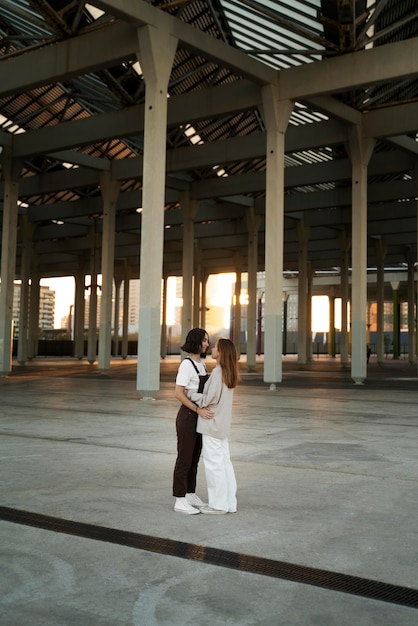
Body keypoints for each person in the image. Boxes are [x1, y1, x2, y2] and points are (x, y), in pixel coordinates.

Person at [188, 337, 239, 515]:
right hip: (222, 425)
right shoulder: (229, 372)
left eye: (216, 347)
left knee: (213, 464)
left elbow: (208, 400)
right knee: (225, 464)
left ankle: (218, 505)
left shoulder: (218, 373)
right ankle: (229, 503)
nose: (212, 348)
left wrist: (192, 394)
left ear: (221, 352)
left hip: (212, 424)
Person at [173, 328, 213, 515]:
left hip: (199, 416)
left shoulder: (202, 364)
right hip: (188, 417)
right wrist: (197, 409)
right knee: (184, 458)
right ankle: (179, 499)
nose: (207, 344)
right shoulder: (187, 365)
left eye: (207, 341)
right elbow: (179, 393)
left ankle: (190, 493)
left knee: (195, 458)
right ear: (196, 342)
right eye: (204, 340)